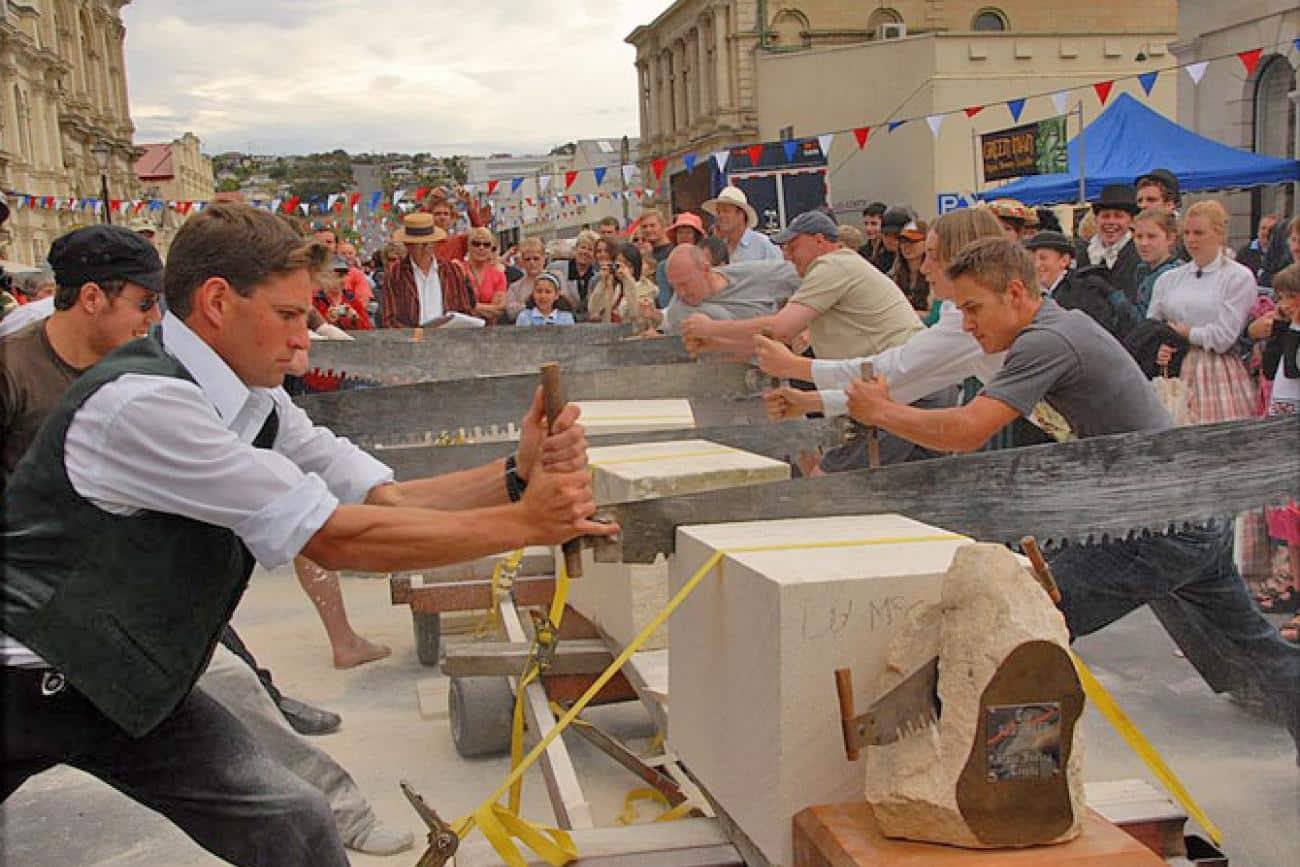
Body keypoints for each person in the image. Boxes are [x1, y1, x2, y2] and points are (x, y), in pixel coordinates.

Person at [1, 203, 614, 866]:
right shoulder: (143, 403)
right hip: (23, 675)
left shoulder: (258, 403)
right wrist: (526, 523)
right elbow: (332, 538)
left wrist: (514, 480)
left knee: (295, 826)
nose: (305, 339)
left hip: (122, 680)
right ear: (216, 302)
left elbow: (387, 499)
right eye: (289, 315)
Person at [0, 224, 414, 856]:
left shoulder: (165, 375)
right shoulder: (17, 370)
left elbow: (313, 481)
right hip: (30, 639)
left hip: (129, 625)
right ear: (91, 298)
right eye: (143, 305)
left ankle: (340, 812)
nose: (155, 320)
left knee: (261, 750)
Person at [841, 236, 1299, 756]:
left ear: (1015, 292)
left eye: (973, 309)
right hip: (1185, 512)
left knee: (1023, 631)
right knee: (1264, 657)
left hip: (1156, 526)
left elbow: (970, 429)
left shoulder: (1046, 341)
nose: (967, 324)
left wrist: (881, 413)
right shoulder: (1059, 326)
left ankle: (1021, 778)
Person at [757, 208, 1006, 465]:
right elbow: (902, 381)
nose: (923, 267)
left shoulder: (972, 321)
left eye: (932, 256)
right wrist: (812, 401)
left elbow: (893, 370)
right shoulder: (960, 314)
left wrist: (796, 368)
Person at [680, 210, 922, 363]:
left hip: (910, 379)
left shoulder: (832, 266)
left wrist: (712, 328)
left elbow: (781, 329)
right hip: (901, 376)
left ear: (819, 241)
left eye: (793, 247)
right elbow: (784, 342)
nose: (787, 255)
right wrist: (717, 345)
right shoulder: (832, 269)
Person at [1258, 264, 1300, 642]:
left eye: (1288, 297)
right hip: (1285, 427)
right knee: (1293, 530)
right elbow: (1274, 367)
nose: (1283, 305)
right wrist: (1284, 331)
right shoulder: (1288, 330)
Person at [662, 244, 800, 335]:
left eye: (684, 284)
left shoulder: (749, 273)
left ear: (705, 269)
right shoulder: (679, 312)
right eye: (674, 286)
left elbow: (802, 274)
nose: (680, 293)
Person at [1023, 230, 1135, 340]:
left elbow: (1098, 334)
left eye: (1043, 258)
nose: (1037, 265)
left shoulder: (1085, 290)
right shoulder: (1030, 294)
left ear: (1064, 260)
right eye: (1032, 259)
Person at [381, 212, 474, 327]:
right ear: (408, 245)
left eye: (429, 243)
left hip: (447, 339)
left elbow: (464, 310)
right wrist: (416, 338)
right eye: (420, 244)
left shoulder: (452, 271)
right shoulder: (394, 275)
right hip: (411, 342)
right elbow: (390, 319)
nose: (426, 248)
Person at [1076, 184, 1142, 306]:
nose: (1111, 222)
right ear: (1096, 220)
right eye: (1105, 216)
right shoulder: (1084, 254)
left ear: (1131, 221)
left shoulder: (1138, 254)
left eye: (1118, 216)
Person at [701, 186, 782, 265]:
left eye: (726, 211)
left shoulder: (764, 245)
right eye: (718, 212)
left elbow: (781, 275)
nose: (720, 216)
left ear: (741, 214)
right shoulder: (718, 248)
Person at [588, 242, 660, 330]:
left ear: (635, 267)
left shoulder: (647, 288)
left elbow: (635, 314)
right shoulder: (612, 286)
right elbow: (593, 309)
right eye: (618, 265)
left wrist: (628, 280)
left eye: (627, 265)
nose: (622, 269)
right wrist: (602, 284)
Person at [1130, 208, 1183, 318]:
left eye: (1152, 236)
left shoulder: (1175, 276)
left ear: (1170, 238)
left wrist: (1115, 298)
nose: (1144, 243)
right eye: (1139, 236)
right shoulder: (1141, 270)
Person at [421, 185, 488, 263]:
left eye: (446, 214)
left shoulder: (459, 241)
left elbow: (481, 233)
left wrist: (470, 205)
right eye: (437, 214)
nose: (442, 217)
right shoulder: (423, 242)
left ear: (452, 218)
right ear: (430, 217)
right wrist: (430, 200)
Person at [313, 256, 374, 331]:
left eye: (344, 275)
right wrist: (326, 322)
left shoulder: (352, 299)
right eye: (338, 276)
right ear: (323, 277)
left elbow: (368, 330)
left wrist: (355, 319)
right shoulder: (315, 301)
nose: (343, 280)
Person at [463, 226, 508, 323]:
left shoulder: (498, 275)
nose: (481, 247)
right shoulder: (459, 270)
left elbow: (499, 309)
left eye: (486, 244)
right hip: (463, 330)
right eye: (476, 243)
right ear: (468, 246)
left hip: (489, 331)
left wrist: (473, 307)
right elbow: (457, 306)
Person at [504, 237, 551, 323]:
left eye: (536, 258)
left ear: (544, 258)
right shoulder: (515, 287)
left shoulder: (557, 279)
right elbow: (510, 313)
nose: (532, 262)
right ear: (522, 261)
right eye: (527, 259)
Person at [890, 220, 931, 315]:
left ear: (926, 242)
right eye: (903, 241)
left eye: (913, 241)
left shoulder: (935, 274)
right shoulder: (893, 275)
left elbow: (935, 315)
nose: (906, 246)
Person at [560, 229, 600, 315]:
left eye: (590, 249)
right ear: (575, 249)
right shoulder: (558, 267)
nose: (585, 252)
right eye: (582, 247)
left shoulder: (597, 276)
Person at [1238, 214, 1279, 280]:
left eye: (1271, 229)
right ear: (1258, 231)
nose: (1266, 232)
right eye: (1263, 228)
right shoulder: (1244, 252)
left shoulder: (1282, 254)